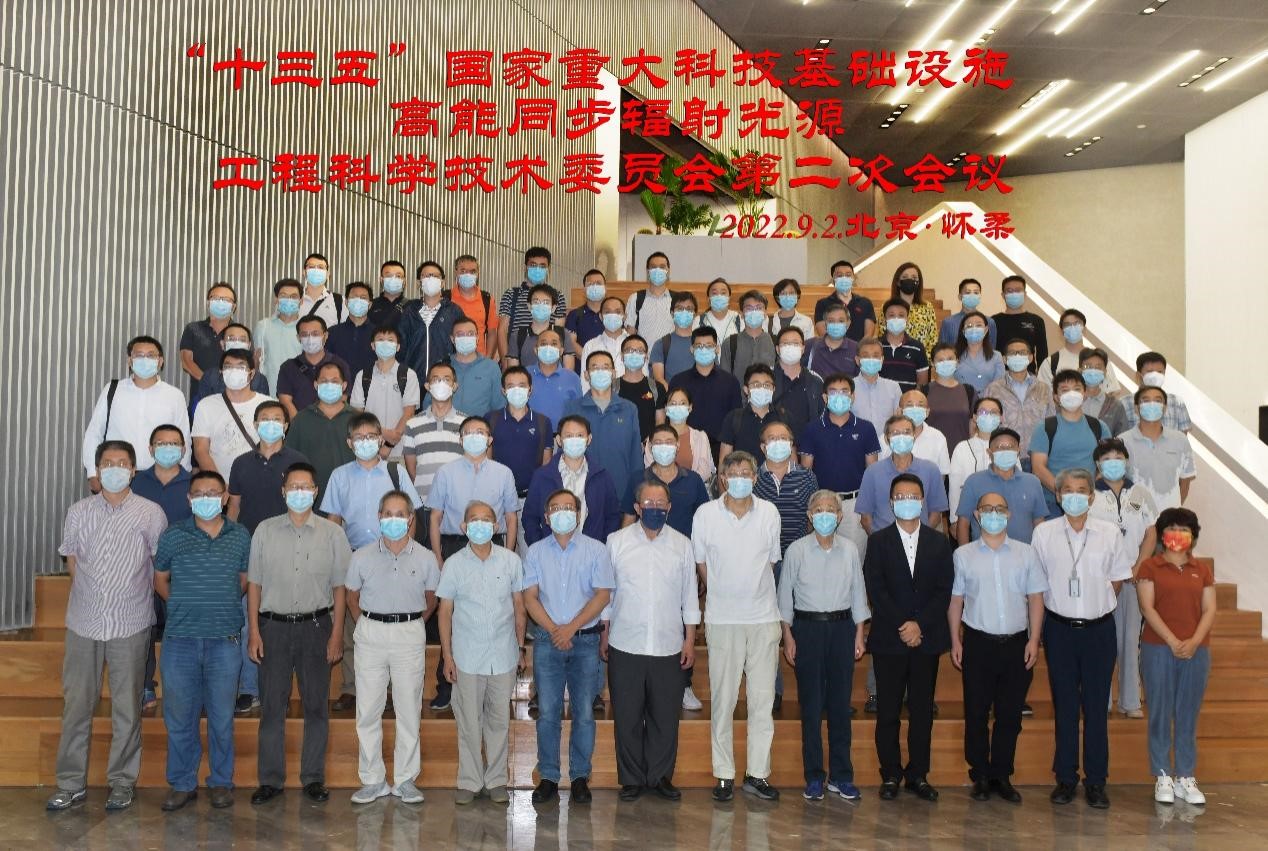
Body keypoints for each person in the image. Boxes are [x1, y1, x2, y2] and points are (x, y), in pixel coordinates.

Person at [45, 441, 167, 813]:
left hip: (131, 623)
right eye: (108, 463)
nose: (115, 468)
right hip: (84, 622)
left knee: (127, 707)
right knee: (77, 706)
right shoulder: (78, 511)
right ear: (97, 470)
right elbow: (72, 561)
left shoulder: (151, 512)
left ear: (133, 470)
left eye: (122, 463)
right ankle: (70, 783)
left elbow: (157, 566)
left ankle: (121, 782)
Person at [247, 462, 350, 805]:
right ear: (283, 491)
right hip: (272, 628)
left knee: (316, 706)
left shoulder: (333, 534)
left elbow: (340, 588)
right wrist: (254, 632)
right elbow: (254, 584)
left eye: (306, 487)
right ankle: (270, 780)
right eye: (293, 486)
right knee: (272, 707)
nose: (299, 492)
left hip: (316, 628)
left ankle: (313, 778)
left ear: (316, 492)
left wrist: (337, 634)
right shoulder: (264, 530)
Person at [1032, 469, 1133, 809]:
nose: (1074, 496)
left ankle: (1096, 781)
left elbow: (1117, 580)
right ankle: (1065, 778)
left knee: (1096, 707)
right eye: (1067, 490)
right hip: (1059, 630)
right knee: (1065, 706)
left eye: (1080, 490)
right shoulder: (1044, 533)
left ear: (1091, 497)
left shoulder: (1109, 533)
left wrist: (1095, 604)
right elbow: (1037, 584)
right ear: (1058, 496)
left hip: (1099, 631)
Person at [153, 470, 251, 812]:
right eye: (199, 493)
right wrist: (183, 605)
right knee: (180, 718)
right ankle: (182, 783)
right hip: (180, 640)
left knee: (222, 718)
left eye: (213, 493)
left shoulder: (240, 535)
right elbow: (160, 579)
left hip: (224, 640)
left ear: (224, 498)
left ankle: (221, 782)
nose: (206, 498)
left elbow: (244, 579)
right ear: (189, 499)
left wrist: (220, 603)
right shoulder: (173, 535)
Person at [694, 451, 783, 802]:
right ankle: (724, 774)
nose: (740, 478)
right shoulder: (705, 514)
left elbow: (771, 561)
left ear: (755, 478)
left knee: (762, 701)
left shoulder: (769, 512)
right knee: (724, 700)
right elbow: (701, 563)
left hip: (763, 618)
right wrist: (722, 591)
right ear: (723, 479)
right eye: (733, 473)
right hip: (723, 619)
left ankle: (758, 773)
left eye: (747, 473)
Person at [602, 479, 699, 801]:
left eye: (660, 504)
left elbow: (690, 597)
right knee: (627, 716)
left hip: (669, 645)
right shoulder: (616, 542)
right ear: (637, 507)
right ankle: (631, 779)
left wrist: (690, 640)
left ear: (669, 508)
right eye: (648, 503)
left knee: (665, 717)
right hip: (625, 642)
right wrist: (604, 633)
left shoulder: (683, 545)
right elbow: (607, 595)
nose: (654, 508)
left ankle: (659, 777)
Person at [948, 490, 1047, 804]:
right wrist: (955, 639)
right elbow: (956, 601)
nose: (994, 514)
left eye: (1000, 509)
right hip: (978, 643)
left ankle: (1001, 774)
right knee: (976, 713)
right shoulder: (963, 555)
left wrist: (1034, 639)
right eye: (987, 509)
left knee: (1009, 715)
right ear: (977, 515)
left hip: (1016, 644)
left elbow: (1036, 598)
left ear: (1009, 515)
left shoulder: (1026, 553)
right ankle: (980, 774)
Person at [322, 413, 424, 713]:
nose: (365, 442)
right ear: (349, 443)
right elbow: (333, 520)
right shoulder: (339, 476)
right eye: (359, 437)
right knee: (353, 624)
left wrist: (406, 552)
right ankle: (352, 688)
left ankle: (390, 689)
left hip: (391, 555)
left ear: (381, 440)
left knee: (389, 620)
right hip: (352, 556)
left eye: (371, 436)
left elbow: (411, 515)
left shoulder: (396, 472)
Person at [863, 472, 954, 802]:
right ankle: (890, 774)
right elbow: (876, 589)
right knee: (888, 712)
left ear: (923, 501)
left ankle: (918, 774)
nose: (907, 502)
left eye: (913, 496)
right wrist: (904, 624)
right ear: (891, 503)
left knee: (921, 711)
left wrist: (919, 625)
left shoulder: (939, 542)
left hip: (926, 640)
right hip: (890, 639)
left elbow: (944, 590)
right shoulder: (878, 541)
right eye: (900, 497)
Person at [344, 491, 439, 805]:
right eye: (388, 513)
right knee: (368, 709)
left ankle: (405, 780)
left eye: (400, 514)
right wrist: (366, 623)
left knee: (408, 709)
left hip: (409, 632)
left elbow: (431, 599)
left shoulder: (426, 557)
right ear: (379, 516)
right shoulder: (361, 556)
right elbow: (352, 597)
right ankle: (372, 780)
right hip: (370, 631)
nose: (394, 519)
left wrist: (411, 622)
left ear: (410, 519)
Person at [523, 489, 615, 805]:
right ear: (547, 517)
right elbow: (530, 598)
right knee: (548, 712)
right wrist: (554, 630)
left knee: (584, 713)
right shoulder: (535, 552)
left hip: (585, 641)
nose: (562, 512)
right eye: (555, 508)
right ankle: (549, 776)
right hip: (548, 642)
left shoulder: (597, 550)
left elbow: (602, 595)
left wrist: (571, 628)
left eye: (568, 507)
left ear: (578, 514)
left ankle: (579, 777)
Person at [778, 491, 869, 802]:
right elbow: (784, 596)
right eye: (819, 509)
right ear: (809, 515)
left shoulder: (850, 550)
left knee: (841, 706)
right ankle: (814, 776)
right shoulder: (796, 550)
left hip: (842, 628)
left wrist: (859, 633)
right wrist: (788, 636)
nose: (825, 514)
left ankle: (841, 776)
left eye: (831, 509)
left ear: (840, 516)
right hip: (807, 629)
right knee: (812, 706)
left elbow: (858, 592)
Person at [437, 500, 527, 806]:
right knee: (469, 723)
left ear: (496, 525)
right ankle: (470, 781)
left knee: (499, 722)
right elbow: (444, 612)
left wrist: (520, 647)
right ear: (464, 527)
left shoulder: (511, 561)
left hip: (503, 655)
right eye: (473, 520)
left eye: (486, 519)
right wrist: (447, 656)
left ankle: (497, 780)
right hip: (466, 657)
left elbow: (519, 607)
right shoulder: (453, 564)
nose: (480, 524)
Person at [227, 401, 308, 715]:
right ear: (255, 424)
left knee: (281, 622)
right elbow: (234, 507)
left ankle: (278, 690)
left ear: (286, 426)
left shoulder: (298, 461)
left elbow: (304, 505)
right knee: (247, 621)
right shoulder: (241, 463)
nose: (271, 424)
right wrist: (229, 544)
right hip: (248, 550)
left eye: (277, 419)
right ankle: (249, 689)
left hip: (288, 549)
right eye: (265, 419)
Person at [1137, 508, 1215, 806]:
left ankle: (1185, 776)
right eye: (1172, 528)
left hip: (1197, 651)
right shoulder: (1150, 567)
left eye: (1184, 529)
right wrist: (1172, 641)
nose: (1178, 534)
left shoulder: (1201, 570)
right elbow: (1147, 608)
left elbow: (1209, 609)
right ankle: (1162, 775)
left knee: (1187, 714)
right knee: (1159, 712)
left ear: (1193, 535)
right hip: (1159, 648)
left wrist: (1193, 642)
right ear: (1162, 534)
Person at [1089, 438, 1158, 720]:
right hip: (1101, 579)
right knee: (1101, 643)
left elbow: (1151, 533)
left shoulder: (1140, 492)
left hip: (1131, 577)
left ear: (1126, 461)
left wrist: (1138, 566)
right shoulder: (1090, 493)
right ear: (1098, 464)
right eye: (1107, 458)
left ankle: (1130, 701)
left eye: (1118, 457)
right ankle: (1100, 701)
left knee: (1130, 640)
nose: (1113, 462)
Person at [755, 419, 819, 709]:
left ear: (792, 445)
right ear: (762, 446)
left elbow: (812, 518)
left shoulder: (807, 477)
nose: (778, 443)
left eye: (784, 438)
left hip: (799, 562)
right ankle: (774, 690)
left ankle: (810, 691)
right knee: (769, 630)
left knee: (802, 627)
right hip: (763, 565)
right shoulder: (753, 479)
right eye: (772, 438)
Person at [131, 425, 192, 712]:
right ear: (151, 449)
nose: (168, 448)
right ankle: (145, 684)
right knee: (143, 629)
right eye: (162, 443)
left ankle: (180, 687)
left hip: (181, 572)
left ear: (184, 449)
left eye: (174, 443)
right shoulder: (136, 482)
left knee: (178, 631)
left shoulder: (194, 483)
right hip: (141, 569)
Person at [82, 335, 190, 492]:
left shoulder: (174, 395)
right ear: (130, 361)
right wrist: (93, 473)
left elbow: (183, 438)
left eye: (151, 355)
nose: (145, 360)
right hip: (117, 476)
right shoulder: (113, 390)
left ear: (160, 361)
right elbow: (94, 433)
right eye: (139, 355)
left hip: (159, 478)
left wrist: (183, 478)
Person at [798, 373, 882, 557]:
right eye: (833, 392)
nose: (839, 396)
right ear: (825, 397)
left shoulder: (866, 428)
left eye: (844, 392)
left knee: (853, 558)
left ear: (852, 397)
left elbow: (872, 472)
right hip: (821, 505)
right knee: (819, 557)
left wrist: (868, 507)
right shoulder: (812, 429)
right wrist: (811, 507)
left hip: (854, 505)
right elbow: (806, 472)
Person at [563, 350, 645, 515]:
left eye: (605, 367)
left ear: (613, 373)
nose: (600, 372)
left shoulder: (629, 409)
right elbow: (564, 455)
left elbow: (636, 457)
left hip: (621, 496)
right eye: (595, 368)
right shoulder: (573, 408)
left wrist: (635, 497)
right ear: (586, 375)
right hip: (582, 497)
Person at [523, 414, 623, 545]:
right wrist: (540, 547)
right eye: (569, 436)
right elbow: (530, 518)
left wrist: (601, 547)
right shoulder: (542, 476)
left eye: (580, 435)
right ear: (559, 440)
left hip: (591, 551)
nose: (574, 440)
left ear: (589, 439)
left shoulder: (602, 477)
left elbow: (613, 517)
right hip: (550, 551)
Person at [487, 366, 553, 553]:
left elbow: (546, 464)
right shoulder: (491, 419)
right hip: (498, 500)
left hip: (529, 500)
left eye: (522, 385)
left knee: (529, 553)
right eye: (511, 386)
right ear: (503, 390)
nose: (517, 390)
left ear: (530, 389)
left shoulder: (543, 422)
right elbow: (486, 461)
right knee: (498, 554)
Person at [1030, 370, 1112, 517]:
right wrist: (1064, 494)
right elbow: (1038, 468)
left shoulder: (1099, 427)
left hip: (1091, 503)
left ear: (1084, 394)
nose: (1071, 394)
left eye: (1077, 389)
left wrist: (1088, 494)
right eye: (1065, 390)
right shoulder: (1044, 427)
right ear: (1056, 397)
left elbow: (1106, 464)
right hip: (1054, 504)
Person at [401, 362, 466, 536]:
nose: (441, 384)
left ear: (455, 386)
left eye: (446, 379)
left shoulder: (466, 424)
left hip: (457, 505)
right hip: (424, 505)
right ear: (427, 386)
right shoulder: (412, 424)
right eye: (436, 380)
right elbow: (412, 470)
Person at [857, 415, 949, 535]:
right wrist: (879, 541)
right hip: (883, 540)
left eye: (906, 432)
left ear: (914, 437)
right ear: (887, 439)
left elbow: (936, 514)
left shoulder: (931, 470)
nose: (901, 437)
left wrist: (921, 540)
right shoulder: (872, 472)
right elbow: (865, 518)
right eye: (895, 433)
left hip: (921, 540)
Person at [955, 428, 1047, 544]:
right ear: (989, 453)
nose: (1005, 450)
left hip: (1024, 553)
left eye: (1010, 447)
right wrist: (964, 553)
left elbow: (1039, 523)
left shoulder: (1033, 482)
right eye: (999, 447)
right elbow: (963, 524)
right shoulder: (973, 482)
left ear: (1018, 451)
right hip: (982, 553)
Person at [668, 327, 745, 464]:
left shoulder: (730, 382)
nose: (704, 350)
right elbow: (670, 418)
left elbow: (736, 420)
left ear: (717, 349)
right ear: (692, 349)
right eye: (699, 346)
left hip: (721, 449)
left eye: (709, 346)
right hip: (686, 448)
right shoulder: (678, 381)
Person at [192, 350, 274, 476]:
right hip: (219, 482)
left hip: (259, 480)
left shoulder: (269, 404)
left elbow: (275, 447)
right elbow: (200, 451)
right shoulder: (205, 405)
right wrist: (218, 483)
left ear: (252, 373)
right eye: (228, 367)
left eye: (241, 367)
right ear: (221, 372)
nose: (234, 371)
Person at [283, 361, 356, 497]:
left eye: (334, 381)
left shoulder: (357, 419)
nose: (329, 385)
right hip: (311, 496)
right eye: (324, 381)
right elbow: (289, 459)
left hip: (350, 495)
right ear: (316, 385)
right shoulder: (301, 419)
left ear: (344, 386)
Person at [1119, 386, 1197, 511]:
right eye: (1146, 400)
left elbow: (1185, 481)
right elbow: (1117, 482)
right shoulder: (1122, 441)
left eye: (1157, 400)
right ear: (1136, 408)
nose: (1152, 405)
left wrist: (1174, 513)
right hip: (1133, 517)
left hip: (1169, 518)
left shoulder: (1180, 440)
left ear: (1164, 408)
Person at [350, 326, 420, 460]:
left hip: (400, 451)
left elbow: (409, 413)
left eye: (390, 340)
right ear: (373, 346)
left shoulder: (408, 375)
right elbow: (357, 413)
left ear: (398, 347)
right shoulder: (363, 375)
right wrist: (382, 433)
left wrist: (388, 445)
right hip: (368, 449)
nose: (385, 343)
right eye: (380, 340)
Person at [984, 337, 1051, 460]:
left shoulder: (1043, 389)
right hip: (1006, 457)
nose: (1017, 356)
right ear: (1004, 359)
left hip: (1039, 457)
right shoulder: (993, 389)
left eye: (1022, 352)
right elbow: (988, 427)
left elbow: (1051, 423)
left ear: (1031, 358)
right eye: (1012, 353)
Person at [498, 246, 567, 364]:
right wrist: (506, 363)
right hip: (516, 360)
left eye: (542, 266)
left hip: (548, 360)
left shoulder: (558, 296)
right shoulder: (511, 294)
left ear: (548, 269)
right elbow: (502, 330)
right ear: (525, 267)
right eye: (533, 265)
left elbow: (558, 332)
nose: (538, 269)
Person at [399, 260, 465, 379]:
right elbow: (401, 347)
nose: (430, 279)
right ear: (419, 283)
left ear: (442, 283)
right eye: (426, 276)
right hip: (413, 380)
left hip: (444, 380)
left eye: (435, 276)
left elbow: (460, 347)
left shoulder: (454, 311)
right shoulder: (409, 311)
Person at [275, 316, 351, 419]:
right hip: (299, 424)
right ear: (298, 338)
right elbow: (285, 401)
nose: (310, 339)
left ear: (325, 336)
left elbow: (342, 399)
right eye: (304, 335)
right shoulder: (288, 367)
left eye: (315, 334)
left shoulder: (341, 365)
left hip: (332, 423)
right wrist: (300, 425)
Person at [1103, 351, 1192, 435]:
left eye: (1160, 372)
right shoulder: (1124, 403)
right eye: (1150, 372)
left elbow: (1183, 437)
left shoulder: (1177, 402)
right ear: (1138, 375)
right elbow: (1118, 435)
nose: (1155, 375)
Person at [948, 398, 1004, 531]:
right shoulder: (962, 448)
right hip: (968, 517)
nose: (988, 416)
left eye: (994, 412)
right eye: (983, 412)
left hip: (1002, 515)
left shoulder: (1007, 448)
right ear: (974, 417)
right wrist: (954, 520)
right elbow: (955, 487)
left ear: (1001, 418)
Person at [1038, 309, 1122, 395]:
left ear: (1084, 329)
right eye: (1067, 325)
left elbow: (1113, 391)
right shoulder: (1050, 363)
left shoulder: (1100, 359)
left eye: (1077, 323)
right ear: (1061, 331)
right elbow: (1042, 396)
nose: (1072, 327)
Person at [180, 282, 239, 402]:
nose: (221, 302)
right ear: (208, 303)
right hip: (200, 396)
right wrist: (208, 382)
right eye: (216, 298)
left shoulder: (240, 333)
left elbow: (245, 363)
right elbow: (186, 362)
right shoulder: (193, 329)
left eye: (226, 300)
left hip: (233, 396)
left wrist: (223, 387)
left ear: (233, 307)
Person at [505, 283, 577, 370]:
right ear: (529, 306)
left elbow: (568, 372)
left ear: (553, 308)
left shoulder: (563, 334)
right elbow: (513, 373)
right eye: (536, 302)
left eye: (546, 302)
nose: (541, 306)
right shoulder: (517, 336)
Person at [881, 389, 951, 478]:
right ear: (899, 411)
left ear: (927, 412)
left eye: (920, 405)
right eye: (909, 405)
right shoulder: (886, 438)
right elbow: (878, 473)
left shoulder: (938, 438)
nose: (915, 409)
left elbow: (941, 476)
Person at [771, 326, 825, 440]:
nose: (790, 347)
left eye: (795, 343)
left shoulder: (815, 380)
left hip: (807, 444)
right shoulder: (767, 379)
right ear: (777, 349)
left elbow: (822, 415)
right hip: (774, 443)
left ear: (803, 348)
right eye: (786, 344)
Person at [719, 364, 784, 460]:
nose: (762, 389)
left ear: (773, 389)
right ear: (746, 389)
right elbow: (724, 460)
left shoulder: (783, 417)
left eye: (767, 385)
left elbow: (792, 458)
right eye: (756, 385)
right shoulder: (733, 418)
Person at [525, 326, 583, 432]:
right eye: (543, 344)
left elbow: (578, 414)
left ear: (561, 351)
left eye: (554, 344)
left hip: (562, 438)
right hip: (529, 437)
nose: (548, 347)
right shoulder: (524, 375)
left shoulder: (572, 378)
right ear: (536, 350)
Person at [447, 316, 506, 416]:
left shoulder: (491, 368)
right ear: (452, 339)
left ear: (477, 338)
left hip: (481, 425)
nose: (466, 338)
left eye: (470, 334)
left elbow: (499, 407)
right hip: (447, 425)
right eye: (460, 334)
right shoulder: (443, 366)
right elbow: (429, 404)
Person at [254, 278, 305, 394]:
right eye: (283, 296)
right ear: (276, 299)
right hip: (268, 393)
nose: (289, 300)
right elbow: (258, 361)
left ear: (301, 301)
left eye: (293, 296)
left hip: (298, 393)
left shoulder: (306, 328)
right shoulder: (263, 326)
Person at [656, 387, 716, 483]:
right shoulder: (655, 438)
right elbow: (650, 471)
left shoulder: (701, 437)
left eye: (682, 403)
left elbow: (705, 472)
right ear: (666, 408)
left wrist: (684, 486)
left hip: (692, 489)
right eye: (673, 403)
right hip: (660, 490)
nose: (677, 407)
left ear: (690, 407)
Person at [924, 343, 975, 453]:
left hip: (961, 454)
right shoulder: (924, 392)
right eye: (940, 360)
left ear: (957, 361)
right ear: (932, 363)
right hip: (932, 453)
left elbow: (973, 427)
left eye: (950, 359)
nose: (946, 363)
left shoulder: (968, 391)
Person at [197, 323, 271, 398]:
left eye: (242, 340)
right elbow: (203, 403)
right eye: (231, 339)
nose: (237, 343)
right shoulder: (210, 377)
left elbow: (265, 404)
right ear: (222, 344)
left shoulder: (259, 380)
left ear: (249, 345)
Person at [991, 274, 1049, 369]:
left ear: (1025, 294)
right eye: (1009, 291)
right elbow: (989, 352)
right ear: (1003, 295)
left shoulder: (1036, 321)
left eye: (1018, 290)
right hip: (1001, 374)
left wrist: (1042, 375)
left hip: (1029, 374)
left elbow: (1042, 354)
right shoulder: (993, 321)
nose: (1014, 294)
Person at [853, 336, 903, 445]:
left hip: (887, 447)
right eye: (866, 356)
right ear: (857, 360)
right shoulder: (849, 388)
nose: (871, 359)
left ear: (882, 359)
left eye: (876, 356)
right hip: (856, 446)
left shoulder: (894, 387)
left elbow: (899, 421)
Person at [616, 334, 667, 441]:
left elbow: (660, 423)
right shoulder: (612, 388)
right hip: (618, 446)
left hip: (648, 447)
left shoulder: (657, 388)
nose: (634, 354)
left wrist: (648, 444)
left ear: (646, 356)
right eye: (629, 350)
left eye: (640, 351)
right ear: (622, 356)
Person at [325, 281, 376, 387]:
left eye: (363, 298)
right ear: (346, 302)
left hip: (371, 391)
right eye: (354, 297)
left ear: (370, 304)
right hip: (339, 391)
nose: (358, 301)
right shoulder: (332, 332)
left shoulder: (378, 334)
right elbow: (325, 364)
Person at [448, 254, 499, 358]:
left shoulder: (487, 299)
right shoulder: (446, 298)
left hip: (479, 360)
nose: (468, 275)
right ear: (456, 272)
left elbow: (492, 333)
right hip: (451, 361)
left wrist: (487, 360)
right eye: (463, 271)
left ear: (478, 274)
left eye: (472, 271)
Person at [813, 260, 876, 342]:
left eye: (848, 275)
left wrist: (858, 348)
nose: (844, 278)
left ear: (853, 278)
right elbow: (822, 333)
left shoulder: (865, 303)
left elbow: (868, 335)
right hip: (833, 348)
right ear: (833, 280)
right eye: (839, 275)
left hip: (859, 348)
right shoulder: (822, 304)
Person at [719, 289, 776, 378]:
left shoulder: (775, 342)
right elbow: (724, 378)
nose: (754, 312)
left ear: (765, 313)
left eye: (759, 308)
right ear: (741, 314)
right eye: (749, 308)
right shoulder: (729, 343)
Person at [625, 252, 677, 343]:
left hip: (671, 352)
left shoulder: (677, 299)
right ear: (648, 272)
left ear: (668, 271)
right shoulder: (635, 299)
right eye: (653, 267)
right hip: (644, 352)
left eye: (662, 267)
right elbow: (630, 333)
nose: (658, 270)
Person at [579, 295, 634, 384]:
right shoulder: (590, 346)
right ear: (601, 316)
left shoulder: (635, 345)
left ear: (624, 316)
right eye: (607, 312)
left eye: (618, 312)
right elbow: (585, 383)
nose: (613, 316)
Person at [879, 298, 930, 392]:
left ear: (907, 319)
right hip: (880, 400)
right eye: (891, 315)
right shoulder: (876, 346)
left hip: (908, 400)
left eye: (901, 315)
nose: (896, 319)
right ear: (885, 318)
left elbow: (922, 383)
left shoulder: (917, 347)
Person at [649, 291, 699, 386]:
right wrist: (674, 395)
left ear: (695, 314)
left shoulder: (703, 344)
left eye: (689, 309)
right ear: (672, 313)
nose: (684, 312)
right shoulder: (661, 344)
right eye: (680, 308)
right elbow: (659, 379)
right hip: (671, 394)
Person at [890, 262, 938, 357]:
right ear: (898, 282)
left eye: (914, 278)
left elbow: (932, 340)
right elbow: (883, 338)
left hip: (921, 361)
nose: (910, 280)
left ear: (918, 283)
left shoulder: (927, 307)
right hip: (895, 360)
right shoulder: (888, 307)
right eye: (905, 277)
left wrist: (923, 360)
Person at [952, 310, 1003, 396]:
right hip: (960, 400)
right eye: (969, 326)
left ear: (986, 330)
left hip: (988, 401)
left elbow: (999, 386)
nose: (974, 329)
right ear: (963, 331)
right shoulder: (953, 355)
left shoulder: (996, 356)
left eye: (978, 325)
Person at [804, 301, 859, 379]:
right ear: (825, 323)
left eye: (841, 321)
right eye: (831, 321)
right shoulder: (810, 345)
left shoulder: (856, 348)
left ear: (848, 323)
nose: (836, 324)